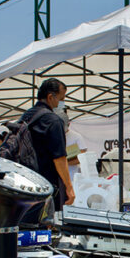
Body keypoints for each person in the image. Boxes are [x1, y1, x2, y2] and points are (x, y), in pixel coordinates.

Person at [20, 78, 75, 210]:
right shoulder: (53, 121)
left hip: (23, 183)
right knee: (46, 225)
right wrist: (69, 187)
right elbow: (59, 158)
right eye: (61, 99)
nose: (61, 103)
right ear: (50, 97)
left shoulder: (26, 117)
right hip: (46, 185)